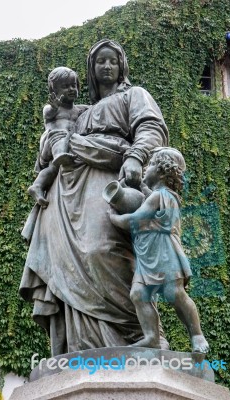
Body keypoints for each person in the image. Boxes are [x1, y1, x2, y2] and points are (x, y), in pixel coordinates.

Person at [19, 39, 169, 356]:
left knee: (103, 250)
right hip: (65, 196)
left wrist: (136, 156)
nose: (106, 66)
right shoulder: (79, 113)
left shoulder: (134, 95)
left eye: (112, 60)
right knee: (67, 267)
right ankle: (81, 345)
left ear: (122, 65)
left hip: (107, 183)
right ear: (91, 69)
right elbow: (48, 150)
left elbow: (152, 127)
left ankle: (136, 335)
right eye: (100, 61)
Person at [109, 147, 209, 353]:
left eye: (152, 164)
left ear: (163, 172)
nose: (146, 168)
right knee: (138, 293)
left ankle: (197, 335)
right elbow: (148, 198)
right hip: (147, 256)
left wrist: (114, 219)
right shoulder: (156, 196)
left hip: (165, 253)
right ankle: (152, 337)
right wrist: (141, 187)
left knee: (175, 293)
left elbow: (136, 220)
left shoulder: (162, 196)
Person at [28, 67, 88, 208]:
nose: (71, 89)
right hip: (51, 141)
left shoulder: (80, 109)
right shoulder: (52, 108)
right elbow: (48, 114)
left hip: (66, 145)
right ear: (54, 92)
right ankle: (60, 155)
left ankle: (37, 186)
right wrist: (54, 107)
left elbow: (95, 109)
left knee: (53, 168)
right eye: (65, 86)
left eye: (74, 85)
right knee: (60, 136)